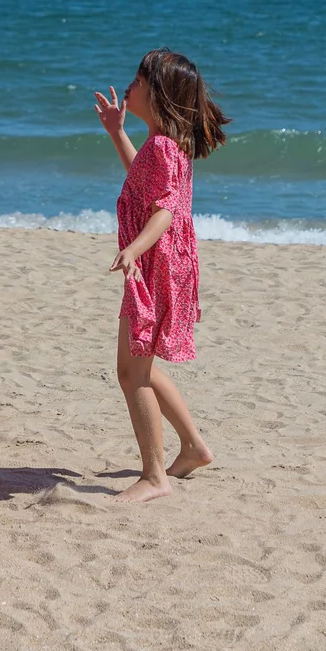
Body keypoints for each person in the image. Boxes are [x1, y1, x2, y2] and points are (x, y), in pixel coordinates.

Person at [93, 48, 229, 502]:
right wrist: (117, 133)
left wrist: (133, 248)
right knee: (142, 366)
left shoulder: (164, 146)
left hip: (154, 264)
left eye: (138, 79)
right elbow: (143, 182)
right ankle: (192, 447)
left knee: (131, 373)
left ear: (160, 94)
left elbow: (166, 212)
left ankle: (154, 477)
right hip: (161, 263)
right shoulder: (162, 146)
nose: (129, 85)